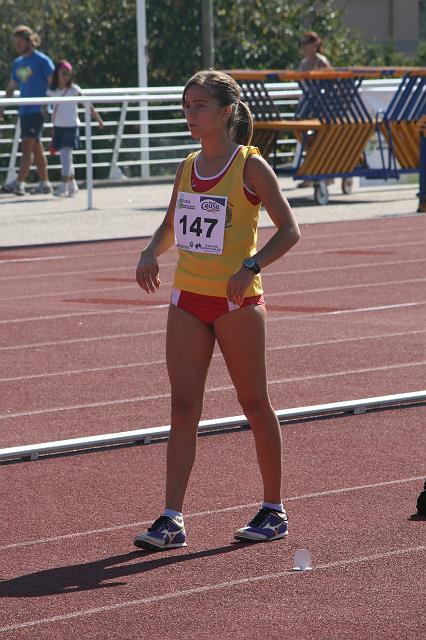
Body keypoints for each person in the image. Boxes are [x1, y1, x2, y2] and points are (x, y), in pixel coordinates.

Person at [134, 70, 301, 551]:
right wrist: (149, 252)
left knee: (254, 403)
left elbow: (290, 230)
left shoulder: (250, 166)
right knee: (183, 407)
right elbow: (171, 224)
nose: (190, 115)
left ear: (226, 112)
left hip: (237, 302)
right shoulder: (188, 166)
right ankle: (172, 517)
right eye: (186, 106)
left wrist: (250, 266)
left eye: (199, 106)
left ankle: (273, 508)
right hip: (188, 298)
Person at [0, 25, 54, 196]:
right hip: (25, 111)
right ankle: (45, 183)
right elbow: (12, 86)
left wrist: (47, 104)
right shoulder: (19, 63)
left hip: (38, 109)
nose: (17, 46)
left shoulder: (42, 61)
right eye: (15, 43)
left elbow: (52, 84)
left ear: (28, 42)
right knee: (36, 147)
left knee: (27, 145)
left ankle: (19, 182)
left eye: (20, 42)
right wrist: (2, 106)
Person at [48, 60, 104, 197]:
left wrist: (98, 119)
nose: (65, 76)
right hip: (58, 126)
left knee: (65, 155)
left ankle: (64, 185)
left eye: (68, 74)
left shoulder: (74, 90)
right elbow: (50, 108)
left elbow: (87, 105)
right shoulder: (53, 90)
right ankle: (72, 184)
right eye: (63, 73)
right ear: (58, 74)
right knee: (67, 157)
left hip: (71, 126)